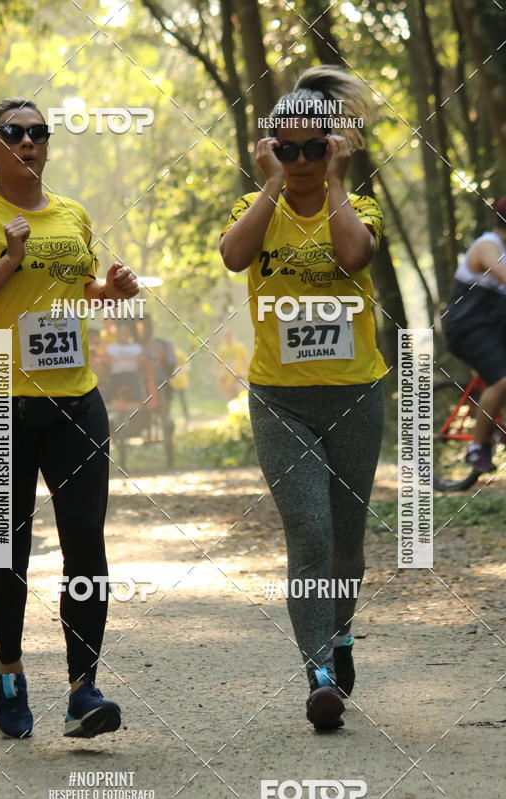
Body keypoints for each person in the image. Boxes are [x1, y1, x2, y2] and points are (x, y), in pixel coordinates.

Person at [0, 97, 138, 739]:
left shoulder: (72, 214)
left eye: (38, 133)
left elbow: (78, 292)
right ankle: (10, 670)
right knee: (7, 547)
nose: (28, 142)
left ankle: (83, 688)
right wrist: (8, 259)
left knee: (86, 543)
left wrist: (111, 291)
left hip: (75, 398)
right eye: (13, 133)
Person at [220, 65, 386, 731]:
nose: (300, 160)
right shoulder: (256, 207)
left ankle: (340, 638)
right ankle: (318, 673)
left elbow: (353, 257)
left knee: (346, 542)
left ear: (333, 147)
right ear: (270, 150)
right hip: (280, 401)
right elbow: (234, 256)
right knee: (310, 533)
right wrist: (270, 185)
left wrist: (337, 181)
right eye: (285, 149)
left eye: (314, 147)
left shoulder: (357, 207)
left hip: (354, 395)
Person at [442, 196, 506, 473]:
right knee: (502, 379)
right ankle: (476, 448)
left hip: (493, 327)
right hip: (467, 328)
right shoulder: (488, 246)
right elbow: (501, 273)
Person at [102, 320, 145, 403]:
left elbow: (141, 360)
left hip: (132, 374)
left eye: (126, 331)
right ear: (117, 332)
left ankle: (140, 404)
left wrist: (117, 360)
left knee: (138, 393)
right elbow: (106, 361)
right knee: (107, 393)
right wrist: (130, 359)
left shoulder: (136, 347)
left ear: (130, 333)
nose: (123, 334)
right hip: (116, 375)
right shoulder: (111, 347)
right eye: (121, 331)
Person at [217, 329, 250, 400]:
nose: (229, 339)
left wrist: (248, 372)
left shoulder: (240, 347)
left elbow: (246, 360)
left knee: (238, 390)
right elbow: (218, 364)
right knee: (230, 396)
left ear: (234, 337)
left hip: (239, 374)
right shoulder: (221, 349)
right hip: (227, 375)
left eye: (230, 337)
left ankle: (241, 402)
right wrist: (218, 375)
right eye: (227, 337)